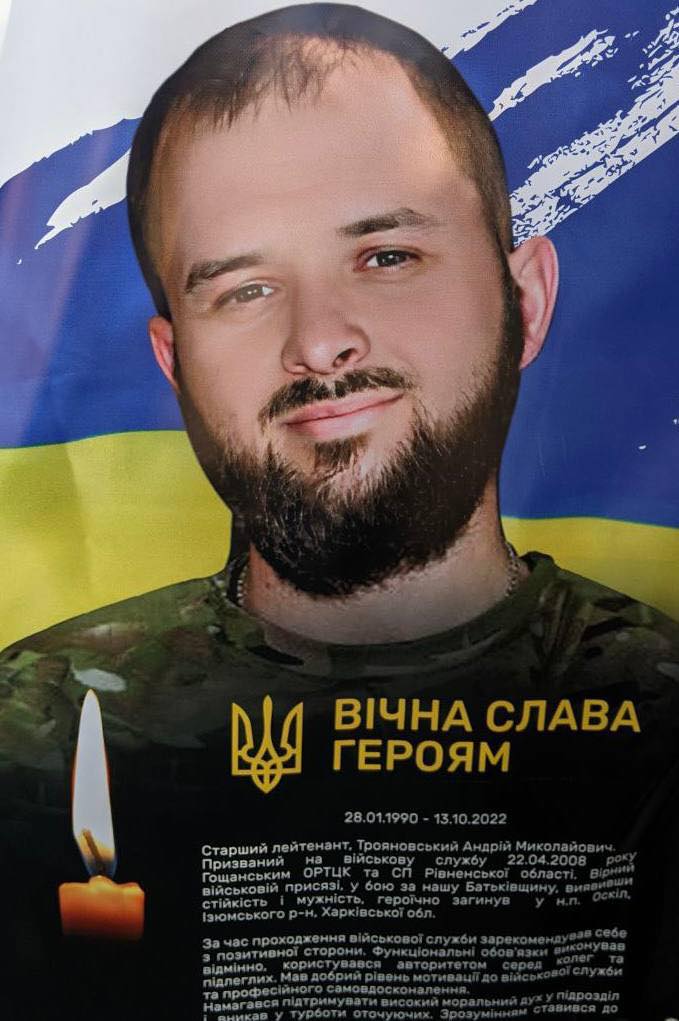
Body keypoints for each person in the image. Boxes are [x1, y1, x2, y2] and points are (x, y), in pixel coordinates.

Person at [2, 6, 679, 1020]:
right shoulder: (32, 732)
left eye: (386, 256)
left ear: (526, 302)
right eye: (244, 289)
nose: (318, 342)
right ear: (175, 364)